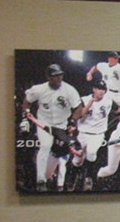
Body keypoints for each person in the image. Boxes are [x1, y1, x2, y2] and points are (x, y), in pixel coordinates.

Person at [21, 64, 83, 192]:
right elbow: (27, 101)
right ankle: (41, 180)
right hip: (44, 122)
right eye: (55, 76)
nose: (58, 78)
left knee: (62, 156)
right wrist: (24, 117)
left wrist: (72, 121)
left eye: (60, 74)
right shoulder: (39, 89)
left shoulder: (69, 90)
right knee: (45, 146)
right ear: (48, 77)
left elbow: (79, 108)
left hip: (62, 125)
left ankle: (57, 180)